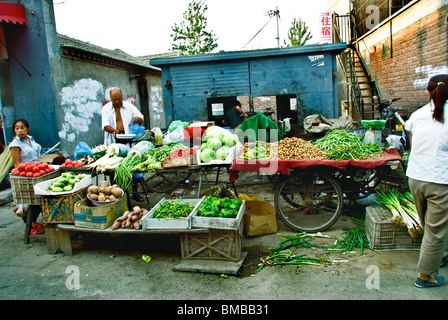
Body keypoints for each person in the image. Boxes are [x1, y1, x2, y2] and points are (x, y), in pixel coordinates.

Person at [405, 74, 448, 288]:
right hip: (439, 180)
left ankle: (441, 252)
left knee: (430, 227)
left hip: (416, 177)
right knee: (435, 231)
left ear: (428, 92)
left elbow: (413, 142)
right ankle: (425, 276)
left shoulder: (418, 115)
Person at [101, 87, 145, 202]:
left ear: (122, 97)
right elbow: (105, 125)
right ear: (110, 99)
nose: (116, 102)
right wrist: (113, 130)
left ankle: (134, 192)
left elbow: (141, 119)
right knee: (113, 168)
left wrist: (137, 119)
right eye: (114, 99)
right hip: (114, 142)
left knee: (132, 166)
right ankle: (116, 194)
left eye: (118, 99)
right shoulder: (106, 109)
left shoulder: (129, 107)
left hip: (129, 140)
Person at [9, 119, 44, 235]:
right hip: (26, 175)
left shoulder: (31, 139)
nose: (19, 131)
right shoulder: (15, 145)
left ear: (27, 128)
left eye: (22, 128)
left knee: (39, 199)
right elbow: (17, 164)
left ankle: (35, 223)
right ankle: (31, 224)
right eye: (16, 128)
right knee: (28, 201)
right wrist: (29, 171)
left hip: (38, 173)